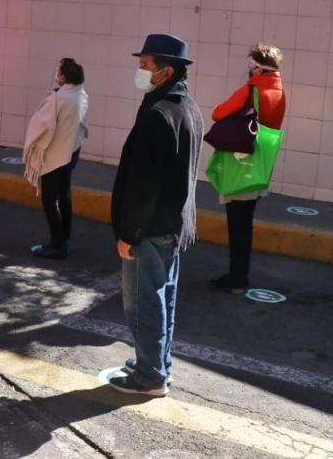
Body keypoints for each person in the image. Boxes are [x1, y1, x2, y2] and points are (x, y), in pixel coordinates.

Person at [108, 34, 203, 396]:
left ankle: (149, 377)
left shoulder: (159, 114)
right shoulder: (187, 107)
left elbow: (144, 186)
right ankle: (157, 363)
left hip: (149, 228)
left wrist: (128, 233)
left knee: (143, 303)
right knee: (163, 296)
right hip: (173, 224)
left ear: (165, 72)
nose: (139, 70)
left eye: (144, 65)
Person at [208, 43, 287, 295]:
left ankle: (237, 277)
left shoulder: (251, 89)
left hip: (241, 161)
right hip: (261, 162)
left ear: (256, 66)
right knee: (246, 221)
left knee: (237, 221)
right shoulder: (280, 91)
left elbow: (218, 113)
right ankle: (239, 274)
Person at [22, 58, 89, 259]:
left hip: (52, 156)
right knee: (64, 196)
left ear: (64, 76)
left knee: (49, 200)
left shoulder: (57, 99)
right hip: (69, 154)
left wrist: (31, 146)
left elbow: (41, 125)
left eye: (58, 72)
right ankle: (64, 236)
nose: (56, 75)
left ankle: (57, 244)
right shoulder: (81, 95)